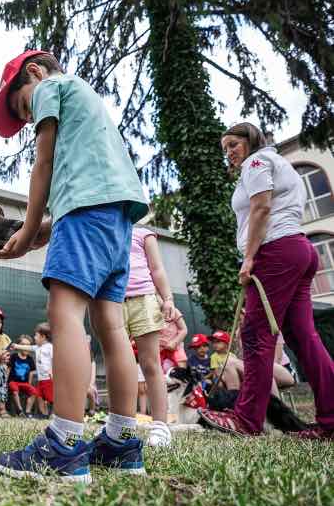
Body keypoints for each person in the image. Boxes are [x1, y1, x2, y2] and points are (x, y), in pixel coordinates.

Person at [0, 50, 149, 481]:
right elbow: (85, 176)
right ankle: (121, 440)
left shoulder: (50, 87)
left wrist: (24, 231)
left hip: (83, 213)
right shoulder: (86, 96)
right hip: (118, 217)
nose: (29, 118)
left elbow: (44, 163)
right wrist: (46, 225)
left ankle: (62, 442)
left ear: (35, 73)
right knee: (111, 326)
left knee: (64, 315)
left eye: (24, 107)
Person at [200, 122, 334, 440]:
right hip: (298, 249)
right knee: (303, 338)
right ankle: (330, 421)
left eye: (233, 145)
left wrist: (249, 258)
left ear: (251, 141)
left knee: (256, 334)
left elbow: (261, 207)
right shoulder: (278, 163)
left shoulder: (257, 162)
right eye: (225, 149)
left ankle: (247, 419)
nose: (230, 153)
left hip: (275, 252)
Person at [123, 226, 176, 446]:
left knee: (150, 362)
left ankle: (160, 427)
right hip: (111, 299)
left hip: (144, 299)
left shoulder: (144, 234)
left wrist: (168, 299)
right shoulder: (103, 225)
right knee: (119, 363)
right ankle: (121, 424)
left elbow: (157, 269)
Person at [5, 335, 38, 418]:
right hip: (13, 382)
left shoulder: (30, 359)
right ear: (19, 346)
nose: (25, 347)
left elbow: (30, 373)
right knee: (15, 390)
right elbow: (8, 369)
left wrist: (29, 384)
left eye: (28, 345)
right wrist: (5, 382)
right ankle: (19, 411)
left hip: (24, 383)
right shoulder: (14, 357)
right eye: (23, 344)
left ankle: (28, 411)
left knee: (34, 392)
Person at [159, 307, 188, 373]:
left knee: (181, 371)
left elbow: (184, 329)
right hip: (158, 351)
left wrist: (175, 342)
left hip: (176, 348)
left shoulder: (172, 310)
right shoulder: (149, 313)